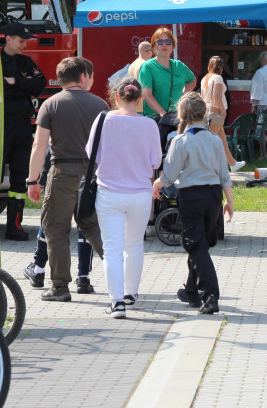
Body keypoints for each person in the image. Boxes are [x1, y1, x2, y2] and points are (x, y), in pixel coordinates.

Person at [26, 56, 109, 302]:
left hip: (61, 173)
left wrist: (33, 180)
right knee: (93, 227)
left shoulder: (50, 104)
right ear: (83, 77)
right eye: (90, 76)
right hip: (92, 175)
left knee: (56, 229)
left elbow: (39, 145)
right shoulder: (101, 105)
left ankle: (60, 287)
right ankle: (123, 277)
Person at [152, 92, 234, 315]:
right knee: (201, 245)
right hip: (214, 197)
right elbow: (224, 174)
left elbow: (170, 175)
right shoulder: (215, 140)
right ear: (205, 113)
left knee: (195, 245)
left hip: (191, 197)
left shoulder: (180, 141)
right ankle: (191, 291)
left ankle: (210, 295)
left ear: (181, 116)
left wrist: (156, 185)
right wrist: (230, 201)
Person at [88, 77, 162, 319]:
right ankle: (131, 294)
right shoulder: (150, 125)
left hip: (109, 192)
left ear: (116, 96)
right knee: (135, 246)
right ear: (140, 99)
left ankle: (116, 302)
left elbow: (92, 155)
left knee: (112, 249)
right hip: (140, 193)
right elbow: (156, 162)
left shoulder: (103, 120)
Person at [22, 147, 97, 294]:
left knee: (51, 223)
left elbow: (47, 146)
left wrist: (41, 178)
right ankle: (83, 277)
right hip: (87, 172)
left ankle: (39, 270)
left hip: (61, 173)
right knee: (85, 224)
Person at [1, 23, 46, 240]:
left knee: (20, 176)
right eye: (21, 41)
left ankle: (15, 226)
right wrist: (21, 84)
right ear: (8, 39)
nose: (24, 45)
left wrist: (15, 82)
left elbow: (39, 85)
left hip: (21, 126)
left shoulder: (25, 62)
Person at [138, 27, 196, 151]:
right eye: (160, 42)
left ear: (173, 46)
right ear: (154, 46)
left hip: (177, 119)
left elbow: (192, 80)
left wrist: (184, 95)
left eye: (168, 42)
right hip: (155, 120)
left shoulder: (179, 66)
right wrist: (162, 113)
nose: (164, 45)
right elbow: (146, 94)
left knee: (178, 154)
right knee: (156, 156)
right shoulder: (147, 67)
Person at [201, 55, 245, 171]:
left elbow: (203, 96)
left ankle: (233, 163)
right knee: (209, 141)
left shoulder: (205, 78)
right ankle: (203, 166)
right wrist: (223, 110)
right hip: (215, 112)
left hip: (206, 111)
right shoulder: (218, 78)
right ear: (221, 67)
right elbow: (217, 96)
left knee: (222, 140)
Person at [249, 50, 267, 155]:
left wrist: (253, 105)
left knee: (262, 129)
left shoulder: (260, 72)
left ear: (262, 61)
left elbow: (256, 91)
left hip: (262, 103)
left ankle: (262, 154)